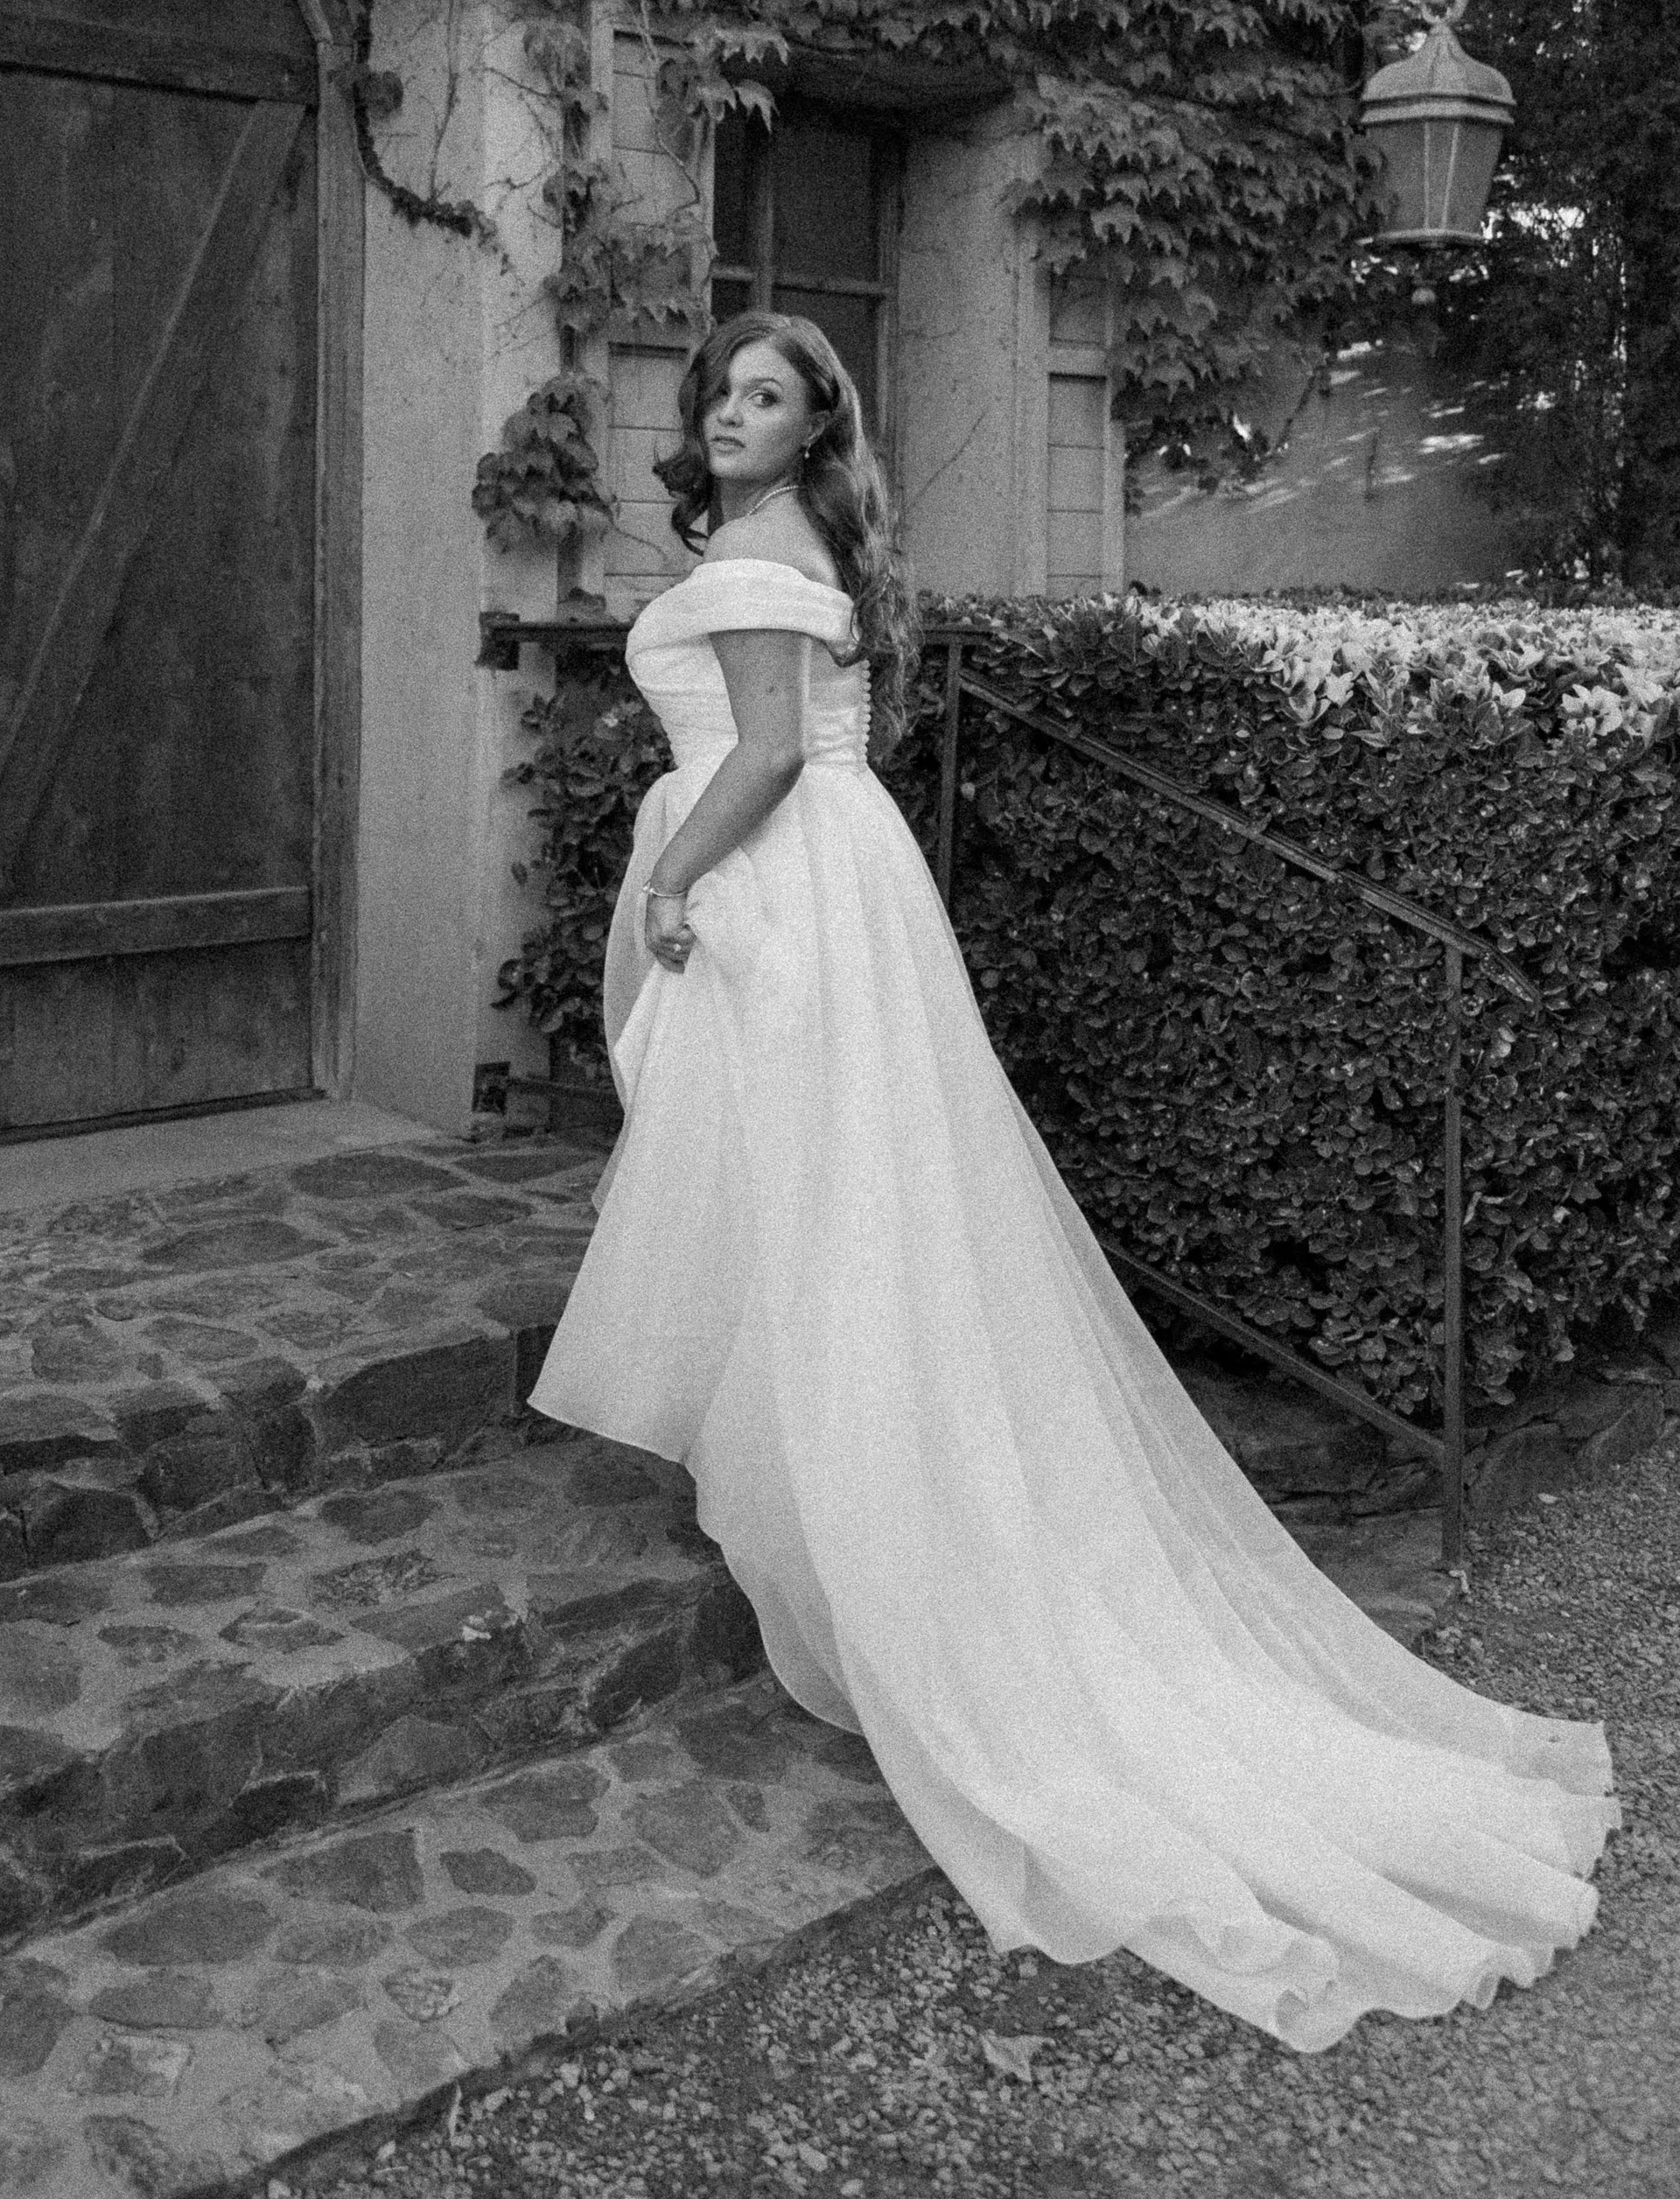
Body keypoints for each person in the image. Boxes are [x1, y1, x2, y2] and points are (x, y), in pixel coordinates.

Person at [530, 310, 1615, 2052]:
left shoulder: (755, 550)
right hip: (836, 881)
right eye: (720, 391)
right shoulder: (806, 546)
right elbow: (838, 748)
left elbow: (747, 755)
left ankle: (859, 1521)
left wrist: (672, 894)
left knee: (807, 1212)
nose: (729, 416)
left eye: (766, 398)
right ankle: (823, 1480)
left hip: (770, 887)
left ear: (815, 432)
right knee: (840, 1204)